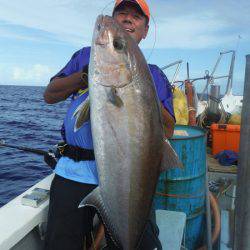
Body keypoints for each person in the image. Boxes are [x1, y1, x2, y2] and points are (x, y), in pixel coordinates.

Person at [43, 0, 175, 249]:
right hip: (74, 171)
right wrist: (86, 75)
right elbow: (50, 95)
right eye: (121, 13)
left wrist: (142, 95)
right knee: (61, 243)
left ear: (145, 30)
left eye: (136, 17)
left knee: (140, 242)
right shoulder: (84, 56)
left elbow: (167, 130)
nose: (126, 19)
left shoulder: (155, 75)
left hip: (129, 176)